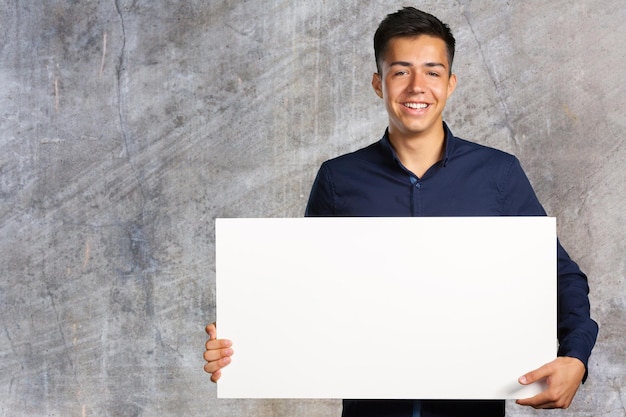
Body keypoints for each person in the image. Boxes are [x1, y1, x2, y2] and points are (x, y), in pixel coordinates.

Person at [204, 7, 598, 417]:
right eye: (400, 71)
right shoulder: (339, 180)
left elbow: (558, 274)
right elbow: (304, 299)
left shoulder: (498, 174)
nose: (416, 87)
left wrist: (576, 355)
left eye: (432, 71)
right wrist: (239, 348)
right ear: (378, 83)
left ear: (451, 83)